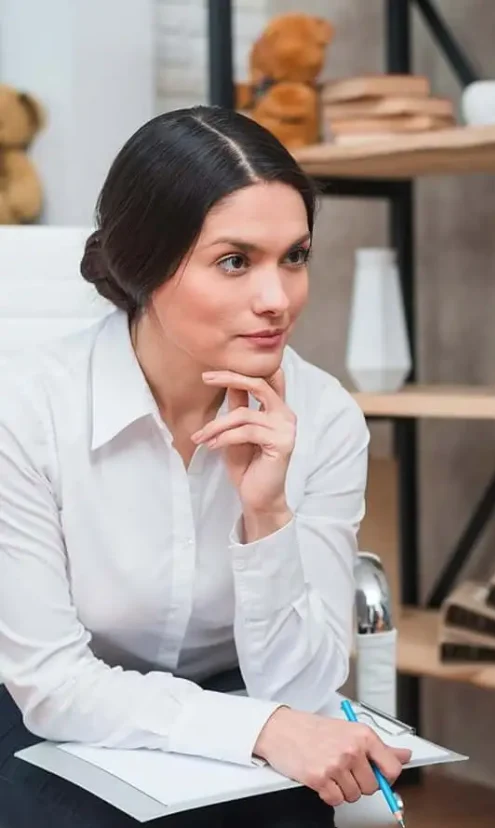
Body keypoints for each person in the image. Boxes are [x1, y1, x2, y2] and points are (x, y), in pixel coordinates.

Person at [0, 106, 411, 828]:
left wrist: (268, 514)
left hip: (241, 695)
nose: (277, 299)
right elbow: (53, 684)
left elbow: (306, 687)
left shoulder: (327, 417)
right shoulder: (26, 412)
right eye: (235, 261)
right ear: (145, 263)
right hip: (51, 714)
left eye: (295, 256)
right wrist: (260, 731)